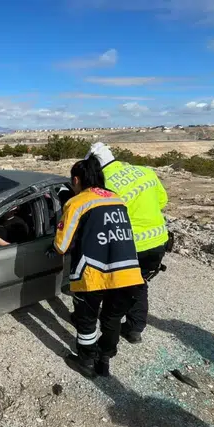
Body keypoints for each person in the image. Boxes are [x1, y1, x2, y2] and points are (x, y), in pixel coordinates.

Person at [51, 156, 145, 377]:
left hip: (93, 274)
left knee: (87, 322)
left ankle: (86, 362)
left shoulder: (77, 202)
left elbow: (61, 246)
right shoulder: (117, 199)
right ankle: (104, 360)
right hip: (128, 274)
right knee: (112, 320)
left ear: (76, 180)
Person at [85, 142, 169, 344]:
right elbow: (162, 201)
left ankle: (107, 332)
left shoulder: (103, 185)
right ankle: (134, 328)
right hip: (158, 241)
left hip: (128, 246)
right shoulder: (145, 172)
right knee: (140, 284)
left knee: (116, 287)